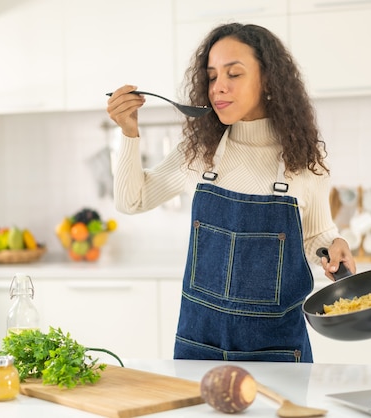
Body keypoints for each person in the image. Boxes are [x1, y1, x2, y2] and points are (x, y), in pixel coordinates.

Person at [106, 22, 356, 362]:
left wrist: (334, 246)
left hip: (277, 352)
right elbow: (130, 201)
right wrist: (129, 132)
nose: (218, 87)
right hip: (200, 346)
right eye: (211, 77)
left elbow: (315, 236)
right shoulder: (199, 152)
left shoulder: (303, 159)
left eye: (233, 74)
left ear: (268, 80)